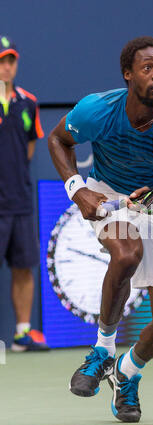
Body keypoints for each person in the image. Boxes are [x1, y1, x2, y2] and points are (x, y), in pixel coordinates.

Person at [48, 36, 153, 422]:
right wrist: (78, 189)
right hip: (108, 192)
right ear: (127, 74)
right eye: (147, 68)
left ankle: (127, 372)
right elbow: (57, 139)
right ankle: (102, 351)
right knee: (126, 252)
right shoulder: (96, 110)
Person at [0, 35, 49, 352]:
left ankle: (22, 333)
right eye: (1, 61)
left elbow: (29, 148)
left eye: (10, 60)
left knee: (24, 266)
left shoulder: (28, 102)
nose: (6, 67)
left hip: (19, 200)